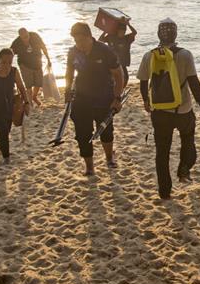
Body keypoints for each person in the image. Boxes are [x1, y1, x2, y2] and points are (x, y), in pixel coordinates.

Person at [137, 18, 200, 200]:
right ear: (176, 34)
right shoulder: (185, 55)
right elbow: (194, 82)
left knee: (162, 152)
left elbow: (143, 82)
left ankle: (164, 191)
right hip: (183, 110)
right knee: (188, 140)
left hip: (159, 112)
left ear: (158, 34)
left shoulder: (149, 55)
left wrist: (146, 101)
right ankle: (184, 169)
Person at [65, 22, 125, 176]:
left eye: (81, 41)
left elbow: (119, 75)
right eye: (76, 41)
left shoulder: (105, 51)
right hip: (81, 99)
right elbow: (69, 73)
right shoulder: (73, 52)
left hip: (104, 98)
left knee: (105, 131)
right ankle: (89, 167)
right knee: (83, 134)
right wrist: (67, 90)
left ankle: (109, 158)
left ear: (89, 37)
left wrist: (117, 98)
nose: (79, 45)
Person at [10, 28, 51, 108]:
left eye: (27, 36)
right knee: (28, 85)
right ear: (20, 36)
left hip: (37, 63)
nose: (26, 38)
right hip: (24, 65)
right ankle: (30, 102)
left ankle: (34, 96)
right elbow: (10, 53)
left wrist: (48, 59)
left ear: (28, 33)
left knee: (38, 83)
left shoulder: (35, 36)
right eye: (23, 37)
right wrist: (8, 65)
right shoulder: (17, 42)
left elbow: (43, 47)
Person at [98, 19, 137, 85]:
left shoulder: (127, 38)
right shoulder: (111, 37)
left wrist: (128, 24)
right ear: (117, 30)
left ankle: (120, 91)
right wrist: (105, 31)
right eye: (121, 31)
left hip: (123, 63)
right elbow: (100, 40)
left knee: (125, 78)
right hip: (112, 63)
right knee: (112, 79)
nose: (122, 32)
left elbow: (134, 32)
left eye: (124, 31)